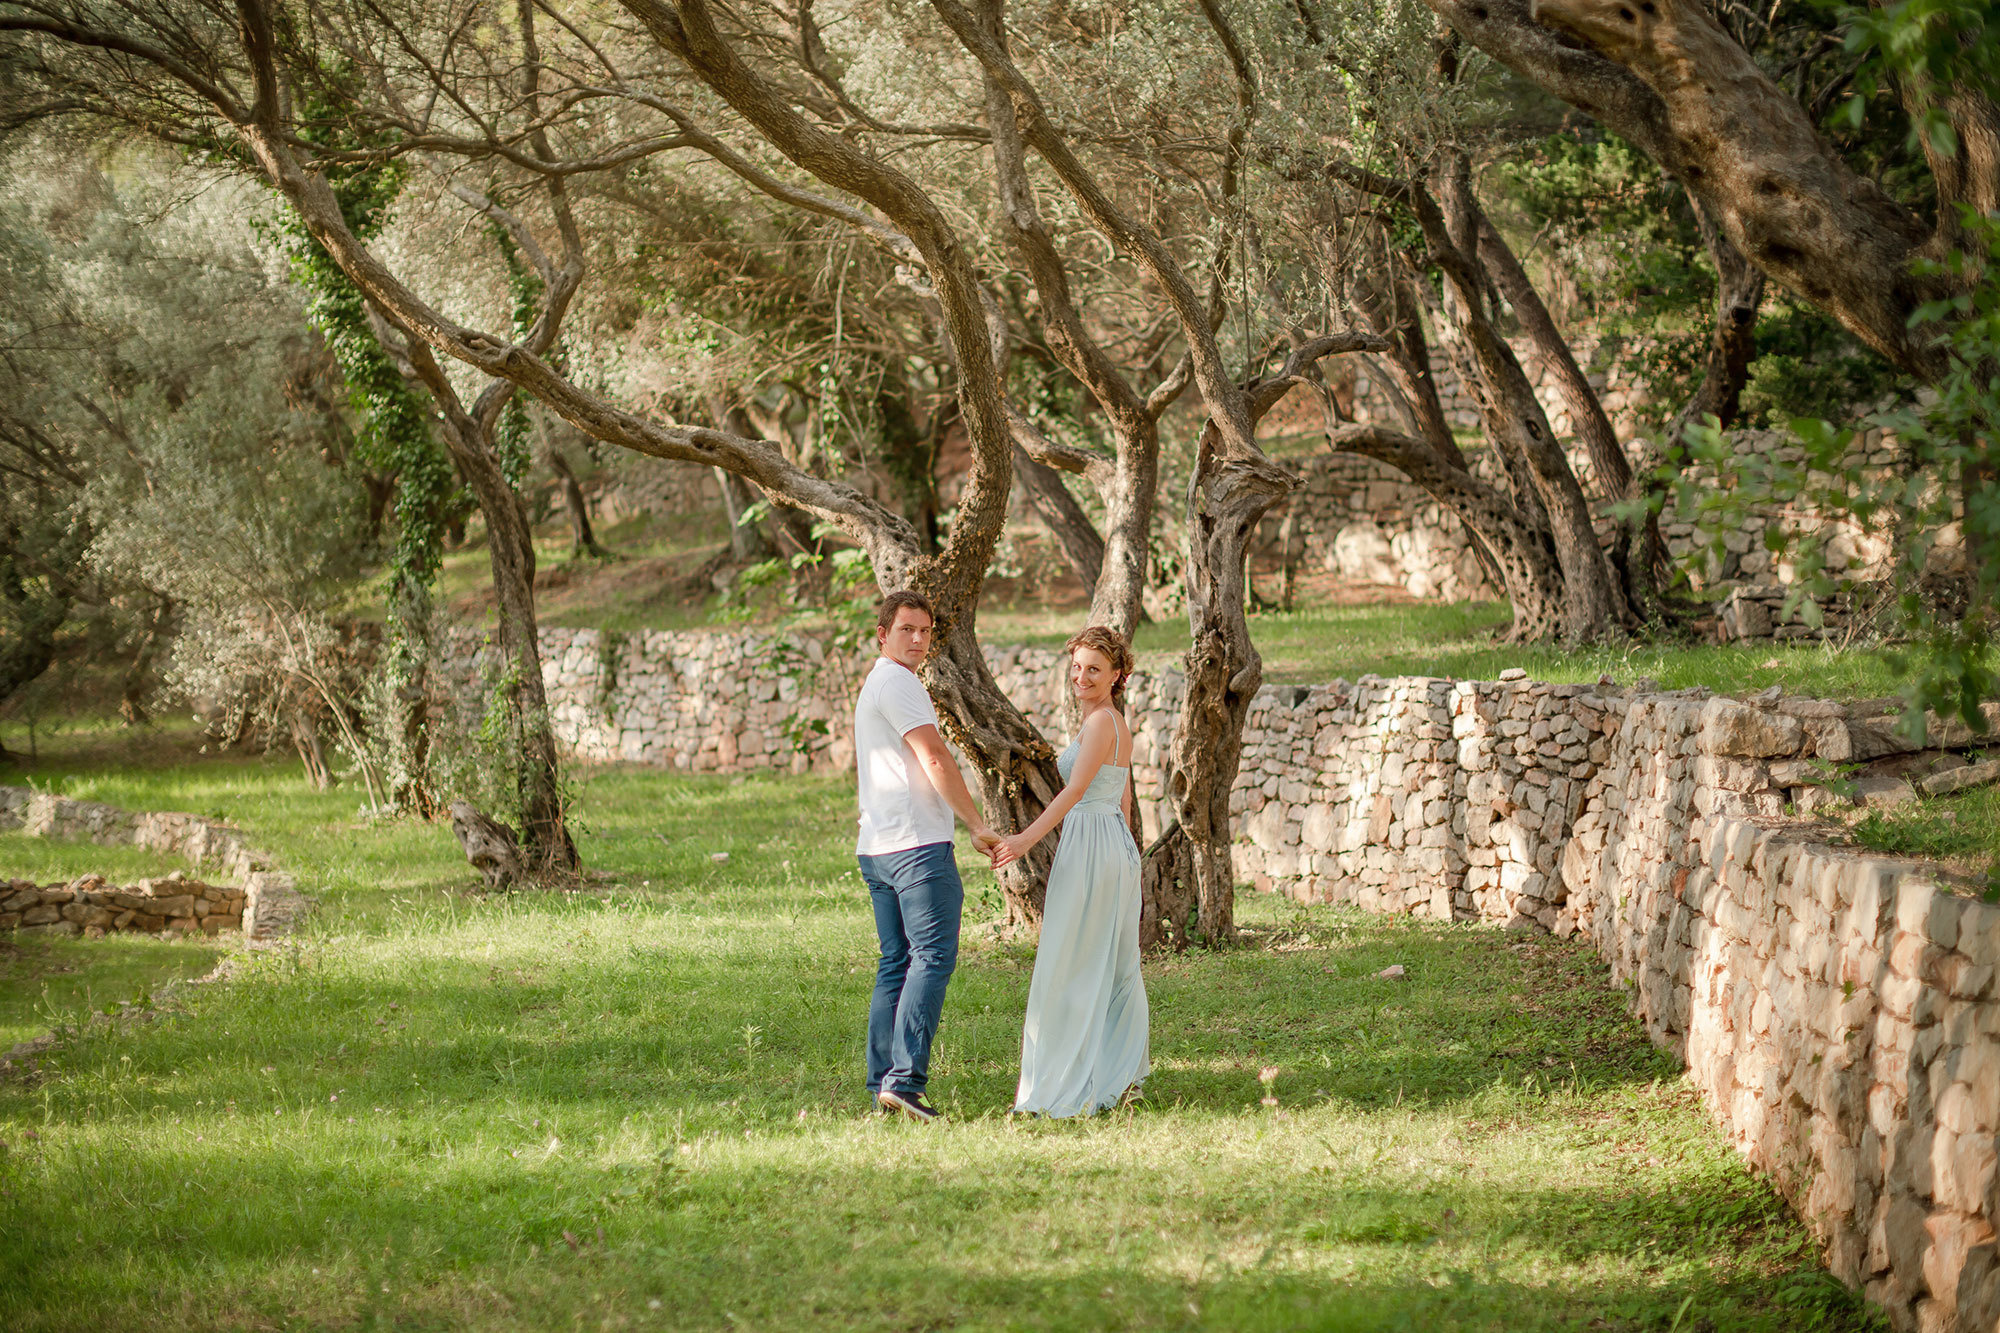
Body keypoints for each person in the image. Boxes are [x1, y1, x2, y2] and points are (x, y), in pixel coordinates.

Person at [989, 625, 1150, 1117]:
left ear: (1116, 674)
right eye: (1076, 667)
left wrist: (1022, 840)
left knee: (1073, 963)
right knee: (1106, 961)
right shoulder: (1112, 722)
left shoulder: (1103, 722)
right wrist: (1126, 860)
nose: (1081, 676)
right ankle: (1117, 1076)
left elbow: (1076, 791)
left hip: (1092, 844)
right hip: (1107, 845)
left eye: (1094, 669)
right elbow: (1122, 799)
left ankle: (1070, 1085)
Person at [853, 590, 998, 1122]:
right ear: (883, 634)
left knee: (896, 963)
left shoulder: (877, 683)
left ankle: (882, 1084)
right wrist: (977, 825)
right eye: (906, 629)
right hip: (915, 848)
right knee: (931, 958)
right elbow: (935, 757)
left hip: (879, 847)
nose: (918, 639)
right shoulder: (900, 683)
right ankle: (904, 1081)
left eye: (925, 631)